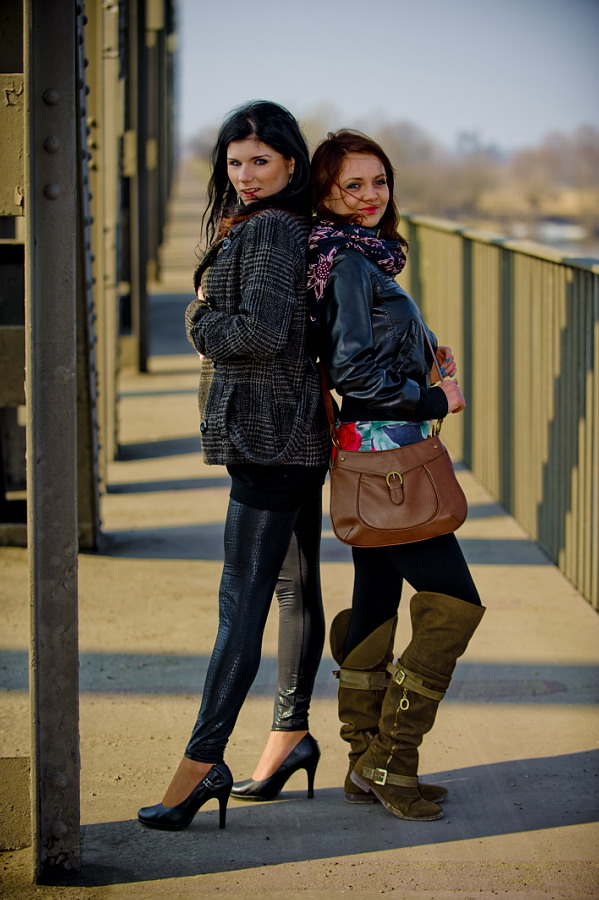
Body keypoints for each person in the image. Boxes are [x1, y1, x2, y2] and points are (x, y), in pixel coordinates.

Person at [137, 101, 330, 831]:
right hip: (290, 434)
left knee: (240, 604)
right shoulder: (279, 222)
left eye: (260, 161)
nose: (246, 175)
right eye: (235, 162)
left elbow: (258, 332)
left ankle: (201, 764)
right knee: (292, 588)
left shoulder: (272, 229)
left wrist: (195, 318)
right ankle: (289, 737)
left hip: (267, 440)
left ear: (290, 163)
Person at [308, 130, 485, 821]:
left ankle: (364, 762)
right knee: (455, 602)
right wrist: (434, 399)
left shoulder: (353, 257)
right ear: (325, 193)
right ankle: (391, 759)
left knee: (376, 600)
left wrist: (420, 348)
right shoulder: (350, 262)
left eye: (378, 181)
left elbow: (364, 351)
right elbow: (353, 370)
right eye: (351, 185)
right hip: (389, 460)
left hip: (372, 456)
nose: (370, 196)